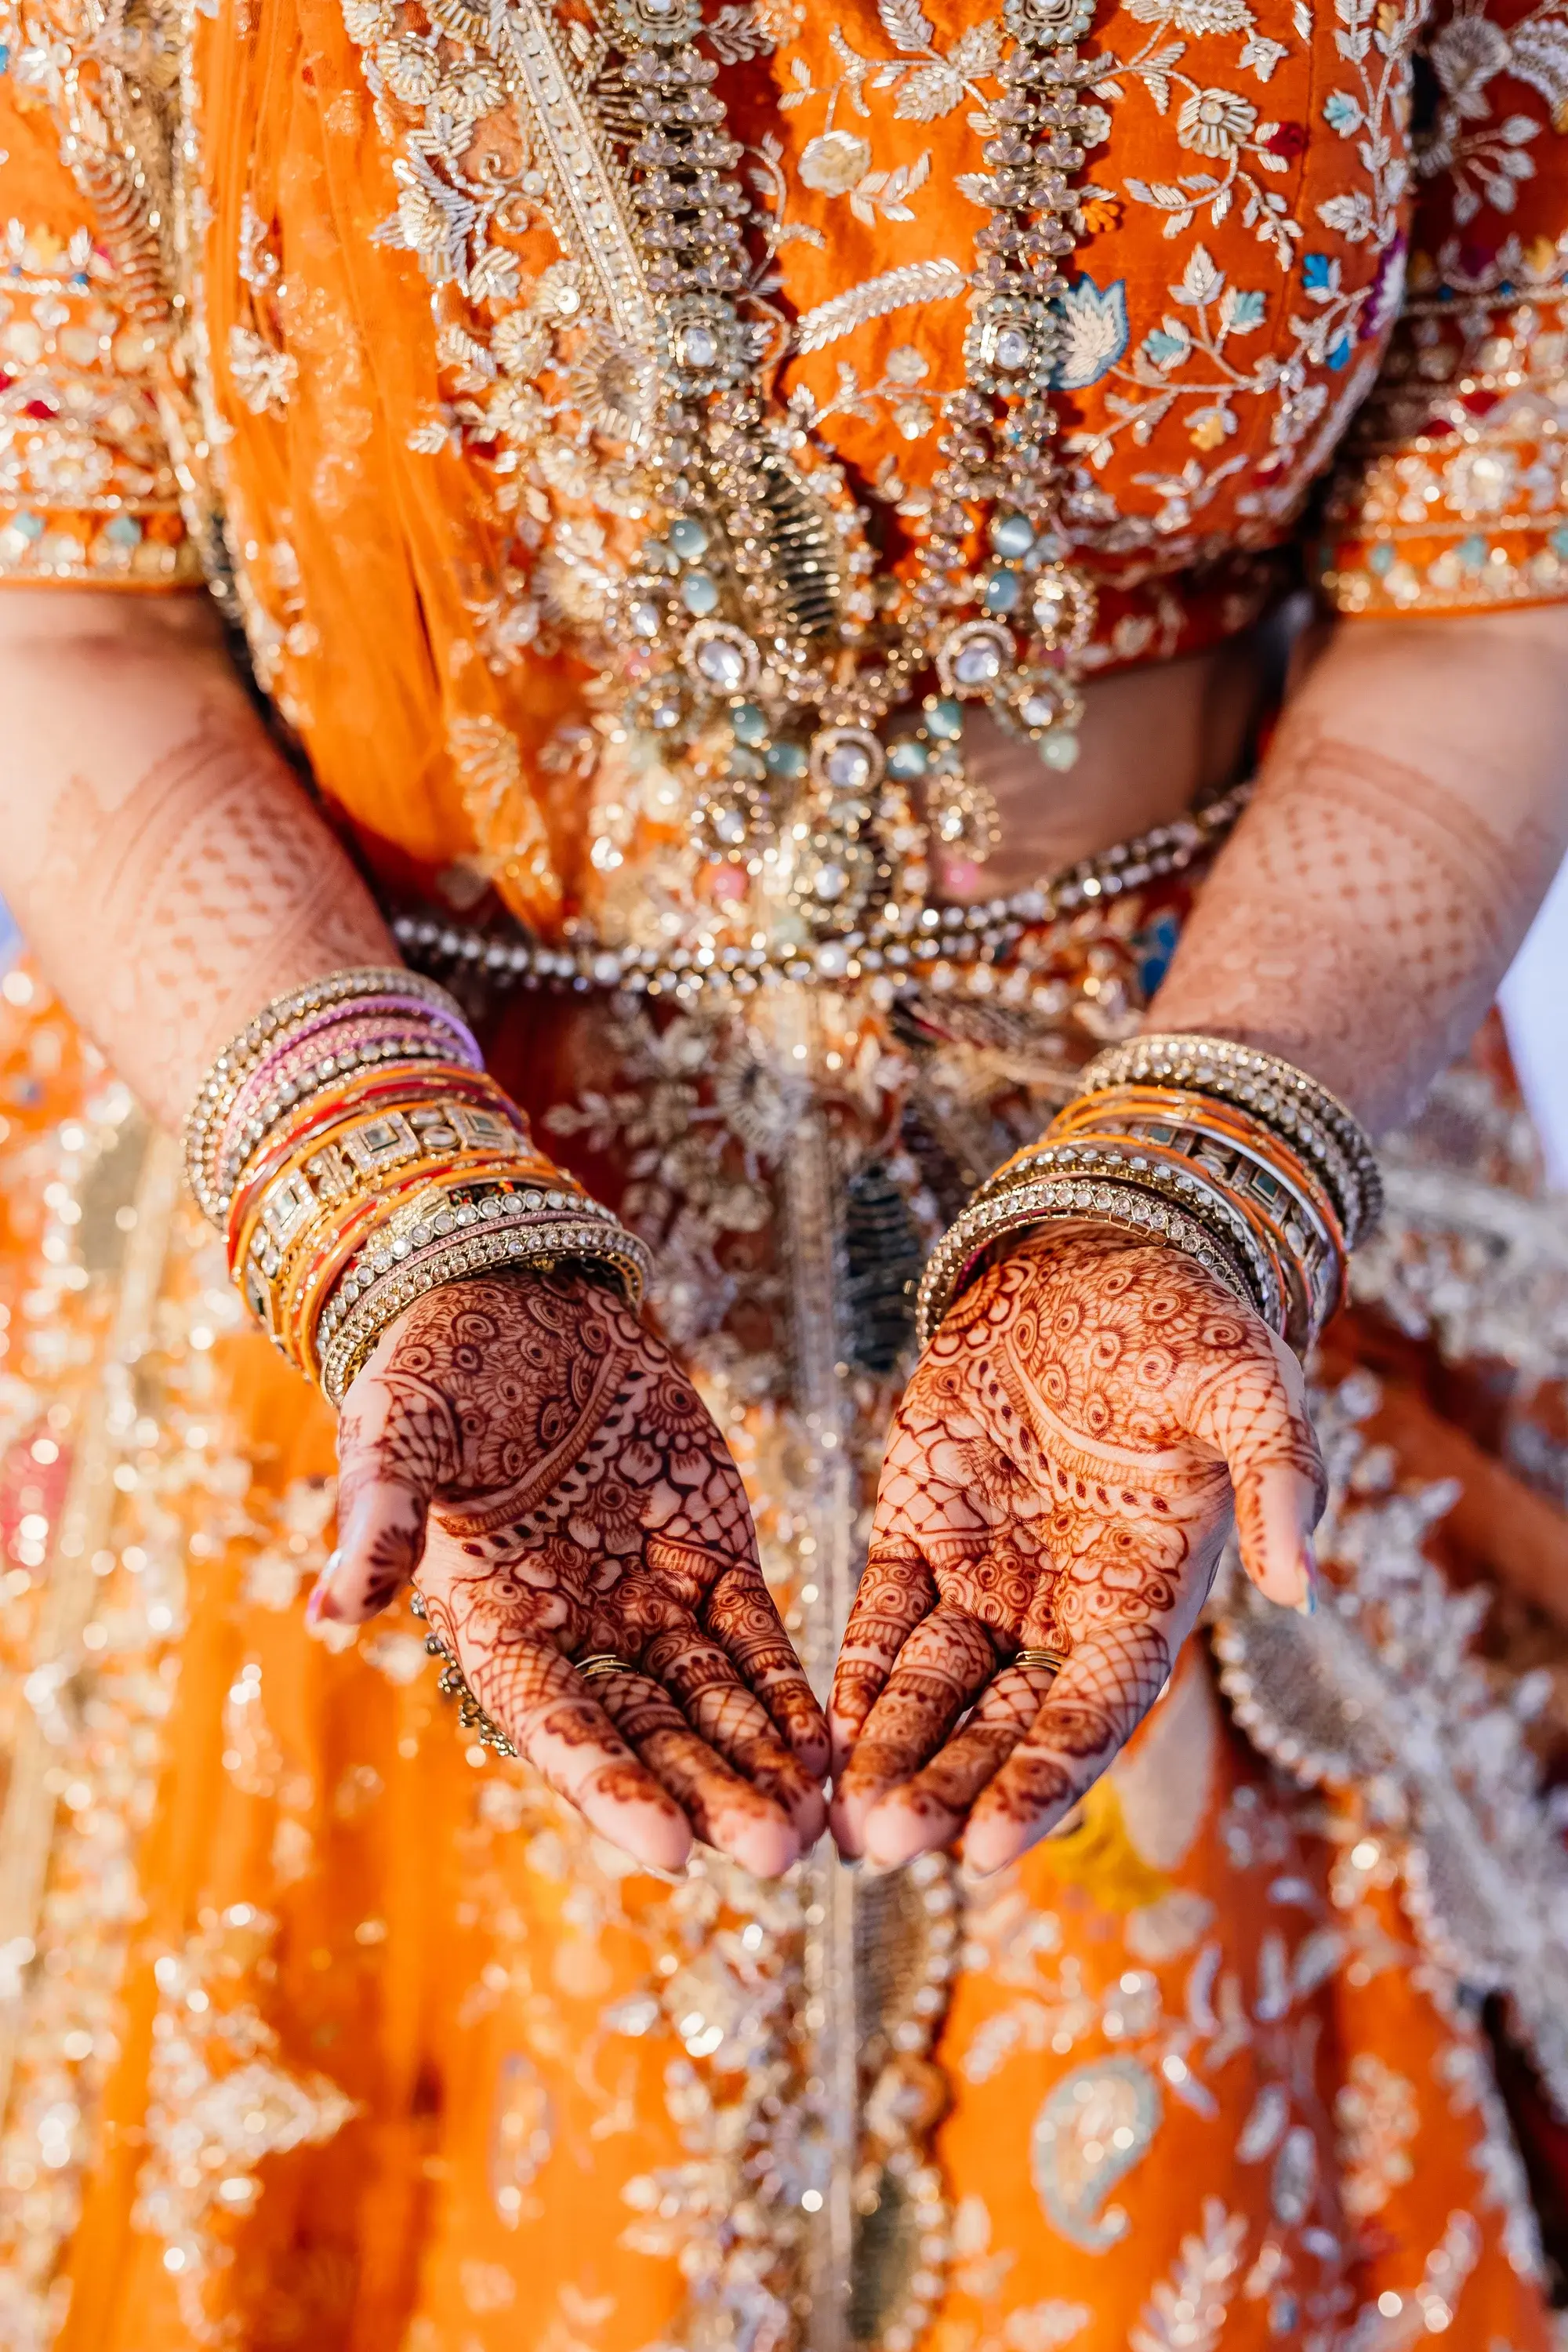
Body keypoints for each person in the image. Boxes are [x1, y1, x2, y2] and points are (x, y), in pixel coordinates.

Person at [2, 0, 1568, 2337]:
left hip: (1215, 1306)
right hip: (351, 1307)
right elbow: (74, 605)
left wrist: (1201, 1175)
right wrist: (389, 1204)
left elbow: (1498, 583)